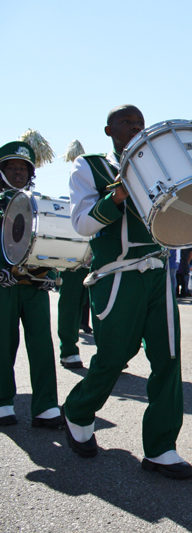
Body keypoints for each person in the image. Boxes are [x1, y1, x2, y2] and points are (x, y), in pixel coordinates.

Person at [62, 105, 192, 479]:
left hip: (158, 273)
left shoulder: (159, 165)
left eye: (140, 122)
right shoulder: (88, 167)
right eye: (126, 122)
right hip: (116, 275)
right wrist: (117, 195)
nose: (136, 127)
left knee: (168, 357)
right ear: (109, 130)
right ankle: (78, 410)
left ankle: (161, 447)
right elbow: (82, 224)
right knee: (114, 355)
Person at [0, 141, 62, 429]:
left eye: (23, 168)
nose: (18, 173)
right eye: (12, 168)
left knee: (41, 345)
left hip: (35, 285)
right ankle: (2, 401)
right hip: (3, 287)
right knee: (2, 344)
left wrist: (49, 271)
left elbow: (49, 238)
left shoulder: (38, 201)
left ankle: (46, 405)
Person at [57, 264, 91, 369]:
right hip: (74, 256)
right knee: (71, 302)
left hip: (106, 255)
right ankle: (69, 350)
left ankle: (110, 352)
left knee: (108, 301)